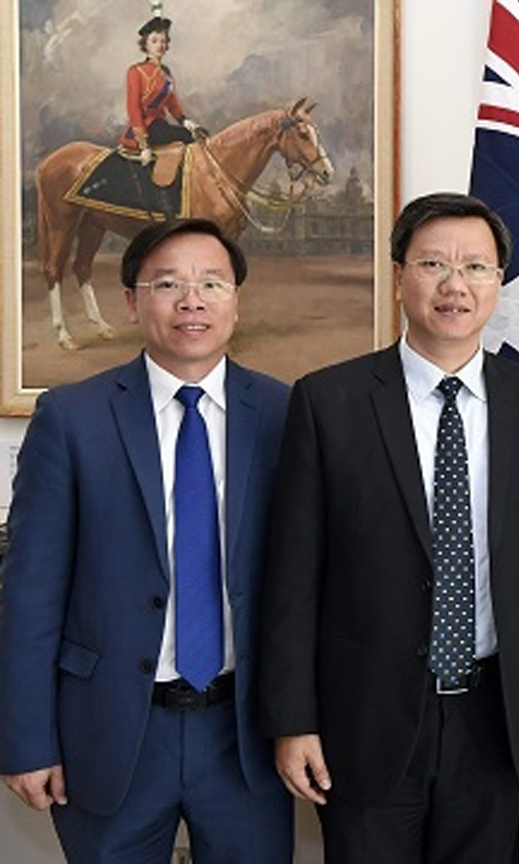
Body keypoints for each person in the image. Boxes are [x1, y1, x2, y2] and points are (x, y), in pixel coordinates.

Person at [257, 192, 519, 862]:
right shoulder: (328, 401)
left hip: (497, 716)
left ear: (498, 284)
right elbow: (293, 576)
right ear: (399, 276)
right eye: (433, 263)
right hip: (363, 718)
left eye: (476, 268)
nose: (455, 285)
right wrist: (293, 720)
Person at [0, 218, 293, 861]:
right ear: (132, 301)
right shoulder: (71, 419)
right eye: (168, 283)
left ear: (236, 302)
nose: (192, 299)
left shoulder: (285, 414)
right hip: (110, 731)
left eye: (211, 282)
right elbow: (31, 590)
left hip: (244, 732)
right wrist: (25, 740)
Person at [120, 15, 204, 166]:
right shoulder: (136, 71)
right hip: (144, 128)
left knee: (195, 135)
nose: (160, 45)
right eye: (154, 41)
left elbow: (172, 104)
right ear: (145, 44)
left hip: (160, 125)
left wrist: (187, 122)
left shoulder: (166, 73)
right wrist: (143, 144)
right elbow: (133, 108)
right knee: (184, 137)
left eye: (163, 41)